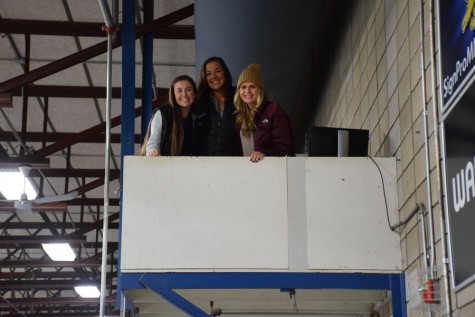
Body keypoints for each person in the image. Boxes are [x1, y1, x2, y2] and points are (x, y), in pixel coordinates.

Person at [234, 63, 295, 162]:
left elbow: (286, 148)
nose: (247, 91)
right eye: (243, 87)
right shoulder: (240, 117)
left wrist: (264, 153)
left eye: (252, 87)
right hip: (246, 172)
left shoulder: (273, 110)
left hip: (272, 171)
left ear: (260, 90)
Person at [194, 57, 241, 156]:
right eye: (208, 74)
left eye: (218, 71)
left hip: (234, 162)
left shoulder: (240, 97)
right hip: (203, 163)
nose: (214, 76)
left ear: (225, 72)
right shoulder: (198, 101)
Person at [141, 75, 198, 156]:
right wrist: (153, 151)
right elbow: (153, 141)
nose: (184, 94)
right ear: (173, 95)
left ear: (194, 94)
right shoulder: (162, 113)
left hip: (191, 166)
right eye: (179, 90)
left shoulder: (199, 117)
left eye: (188, 90)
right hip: (165, 165)